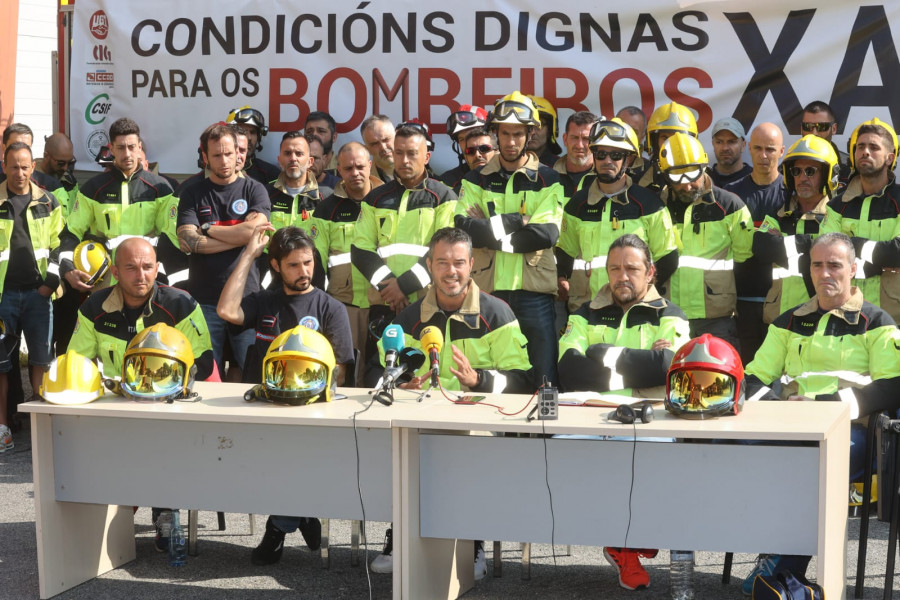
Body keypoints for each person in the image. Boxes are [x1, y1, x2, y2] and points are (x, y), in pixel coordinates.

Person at [368, 227, 532, 578]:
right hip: (420, 423)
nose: (451, 271)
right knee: (397, 450)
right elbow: (380, 370)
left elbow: (522, 381)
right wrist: (400, 382)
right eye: (441, 262)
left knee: (464, 456)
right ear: (429, 265)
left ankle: (472, 542)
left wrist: (480, 380)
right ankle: (401, 536)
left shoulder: (498, 313)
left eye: (458, 262)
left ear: (472, 265)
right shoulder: (409, 319)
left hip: (479, 426)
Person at [742, 232, 900, 593]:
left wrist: (823, 409)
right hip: (790, 427)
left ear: (854, 269)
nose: (825, 273)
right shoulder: (787, 321)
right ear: (808, 270)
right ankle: (786, 577)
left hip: (852, 432)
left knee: (812, 467)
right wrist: (779, 409)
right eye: (817, 265)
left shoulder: (877, 321)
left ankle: (780, 568)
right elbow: (752, 378)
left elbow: (891, 387)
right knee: (735, 452)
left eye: (835, 265)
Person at [558, 234, 689, 590]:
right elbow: (568, 367)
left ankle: (626, 543)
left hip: (649, 417)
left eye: (632, 268)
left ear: (650, 273)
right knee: (559, 450)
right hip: (588, 415)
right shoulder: (584, 312)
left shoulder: (670, 314)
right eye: (614, 268)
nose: (622, 276)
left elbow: (668, 366)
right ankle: (625, 540)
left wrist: (601, 353)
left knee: (650, 456)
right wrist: (635, 370)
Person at [217, 224, 353, 565]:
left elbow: (340, 373)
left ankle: (278, 527)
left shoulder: (329, 308)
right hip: (261, 409)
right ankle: (304, 513)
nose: (304, 271)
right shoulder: (265, 301)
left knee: (290, 456)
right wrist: (249, 253)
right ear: (276, 266)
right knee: (261, 461)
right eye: (293, 265)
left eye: (308, 263)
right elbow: (227, 312)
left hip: (308, 415)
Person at [68, 237, 214, 549]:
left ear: (157, 268)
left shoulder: (181, 304)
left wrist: (166, 393)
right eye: (131, 268)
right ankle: (112, 513)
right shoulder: (93, 307)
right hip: (117, 405)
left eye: (148, 267)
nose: (141, 275)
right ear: (116, 272)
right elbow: (77, 362)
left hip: (170, 406)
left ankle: (164, 512)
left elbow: (202, 361)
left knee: (159, 444)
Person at [455, 91, 563, 386]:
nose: (511, 141)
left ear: (530, 134)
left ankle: (541, 432)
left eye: (518, 133)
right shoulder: (475, 179)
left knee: (543, 378)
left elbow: (546, 234)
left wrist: (488, 232)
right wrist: (519, 221)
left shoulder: (549, 179)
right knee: (493, 371)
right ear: (495, 134)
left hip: (534, 294)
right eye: (505, 133)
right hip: (488, 292)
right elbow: (464, 230)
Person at [351, 122, 457, 386]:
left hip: (428, 303)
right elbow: (360, 250)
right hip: (383, 304)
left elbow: (443, 251)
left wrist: (403, 287)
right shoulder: (374, 198)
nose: (404, 160)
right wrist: (390, 288)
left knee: (427, 372)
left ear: (427, 156)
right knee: (377, 372)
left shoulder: (444, 196)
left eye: (412, 153)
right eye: (399, 153)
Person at [176, 122, 270, 380]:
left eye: (229, 153)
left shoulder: (255, 189)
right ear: (205, 156)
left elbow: (258, 232)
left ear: (239, 152)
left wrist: (208, 229)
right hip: (204, 300)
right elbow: (188, 240)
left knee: (253, 372)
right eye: (216, 155)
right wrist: (242, 236)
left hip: (246, 300)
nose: (225, 160)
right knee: (207, 375)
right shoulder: (192, 192)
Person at [556, 118, 678, 314]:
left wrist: (640, 293)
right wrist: (561, 278)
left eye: (616, 155)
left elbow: (668, 258)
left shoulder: (649, 204)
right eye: (601, 154)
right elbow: (564, 254)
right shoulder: (577, 205)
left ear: (628, 159)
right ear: (593, 156)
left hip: (635, 310)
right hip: (587, 310)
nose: (608, 161)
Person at [659, 133, 753, 348]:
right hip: (668, 315)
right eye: (677, 178)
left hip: (716, 317)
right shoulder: (656, 207)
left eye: (692, 174)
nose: (687, 185)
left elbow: (744, 257)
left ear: (704, 167)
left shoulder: (730, 206)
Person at [59, 117, 174, 293]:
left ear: (139, 148)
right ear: (111, 149)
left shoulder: (161, 188)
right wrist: (67, 267)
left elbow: (171, 237)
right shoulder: (93, 189)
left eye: (131, 147)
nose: (127, 154)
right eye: (120, 148)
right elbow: (71, 231)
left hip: (147, 280)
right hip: (105, 280)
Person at [0, 142, 64, 452]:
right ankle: (2, 429)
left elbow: (59, 246)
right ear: (4, 166)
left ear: (33, 167)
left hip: (39, 295)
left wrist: (50, 283)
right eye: (14, 166)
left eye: (25, 166)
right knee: (0, 365)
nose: (20, 172)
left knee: (40, 360)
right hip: (3, 296)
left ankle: (40, 430)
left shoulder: (49, 201)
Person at [313, 142, 383, 383]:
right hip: (344, 306)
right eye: (348, 168)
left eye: (360, 166)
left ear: (370, 165)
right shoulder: (326, 209)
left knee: (379, 372)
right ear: (339, 171)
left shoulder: (387, 201)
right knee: (345, 375)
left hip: (384, 302)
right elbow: (317, 262)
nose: (355, 173)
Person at [821, 118, 900, 323]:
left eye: (874, 147)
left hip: (894, 317)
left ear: (889, 158)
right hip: (846, 316)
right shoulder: (836, 206)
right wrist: (879, 264)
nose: (865, 151)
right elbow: (828, 256)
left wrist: (853, 245)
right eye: (860, 147)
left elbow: (898, 252)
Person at [754, 135, 838, 324]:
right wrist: (811, 243)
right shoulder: (779, 213)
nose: (802, 178)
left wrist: (783, 244)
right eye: (796, 171)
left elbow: (831, 254)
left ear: (827, 175)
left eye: (810, 171)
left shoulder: (837, 215)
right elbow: (762, 248)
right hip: (778, 319)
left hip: (822, 318)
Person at [725, 122, 789, 364]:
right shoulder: (729, 195)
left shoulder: (791, 194)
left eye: (770, 149)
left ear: (782, 151)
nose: (764, 156)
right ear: (748, 148)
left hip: (783, 302)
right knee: (745, 372)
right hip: (741, 303)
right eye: (758, 148)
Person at [265, 132, 331, 288]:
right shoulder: (265, 195)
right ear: (279, 160)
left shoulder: (326, 197)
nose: (293, 158)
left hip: (315, 288)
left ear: (310, 161)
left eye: (299, 153)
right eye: (287, 153)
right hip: (275, 289)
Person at [0, 123, 69, 215]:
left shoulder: (52, 187)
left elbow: (63, 225)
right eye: (15, 146)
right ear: (4, 148)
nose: (21, 151)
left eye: (26, 147)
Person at [638, 102, 699, 192]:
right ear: (654, 142)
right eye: (665, 138)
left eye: (678, 138)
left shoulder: (702, 178)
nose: (671, 143)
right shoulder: (639, 177)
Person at [225, 105, 280, 184]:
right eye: (242, 131)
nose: (249, 138)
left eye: (253, 132)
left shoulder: (271, 174)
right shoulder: (217, 171)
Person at [439, 105, 489, 191]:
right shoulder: (447, 181)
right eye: (462, 139)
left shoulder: (514, 175)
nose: (469, 144)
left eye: (474, 135)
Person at [801, 100, 851, 183]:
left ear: (834, 129)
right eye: (808, 126)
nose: (814, 133)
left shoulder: (849, 169)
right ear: (801, 129)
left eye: (822, 127)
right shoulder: (788, 166)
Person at [36, 132, 78, 212]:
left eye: (70, 163)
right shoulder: (29, 179)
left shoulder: (70, 181)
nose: (65, 168)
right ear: (46, 156)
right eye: (61, 163)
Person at [709, 117, 752, 188]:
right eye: (719, 142)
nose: (725, 148)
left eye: (732, 142)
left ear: (743, 145)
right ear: (713, 144)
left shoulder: (755, 179)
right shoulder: (703, 181)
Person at [526, 95, 563, 166]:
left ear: (550, 130)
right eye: (527, 126)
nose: (532, 132)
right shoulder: (504, 166)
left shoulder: (560, 168)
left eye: (539, 125)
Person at [360, 114, 395, 182]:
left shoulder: (420, 172)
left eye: (386, 140)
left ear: (397, 137)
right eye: (375, 144)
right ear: (367, 150)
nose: (383, 147)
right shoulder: (363, 182)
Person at [304, 111, 340, 175]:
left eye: (321, 131)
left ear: (334, 137)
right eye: (309, 131)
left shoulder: (344, 167)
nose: (314, 135)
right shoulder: (297, 167)